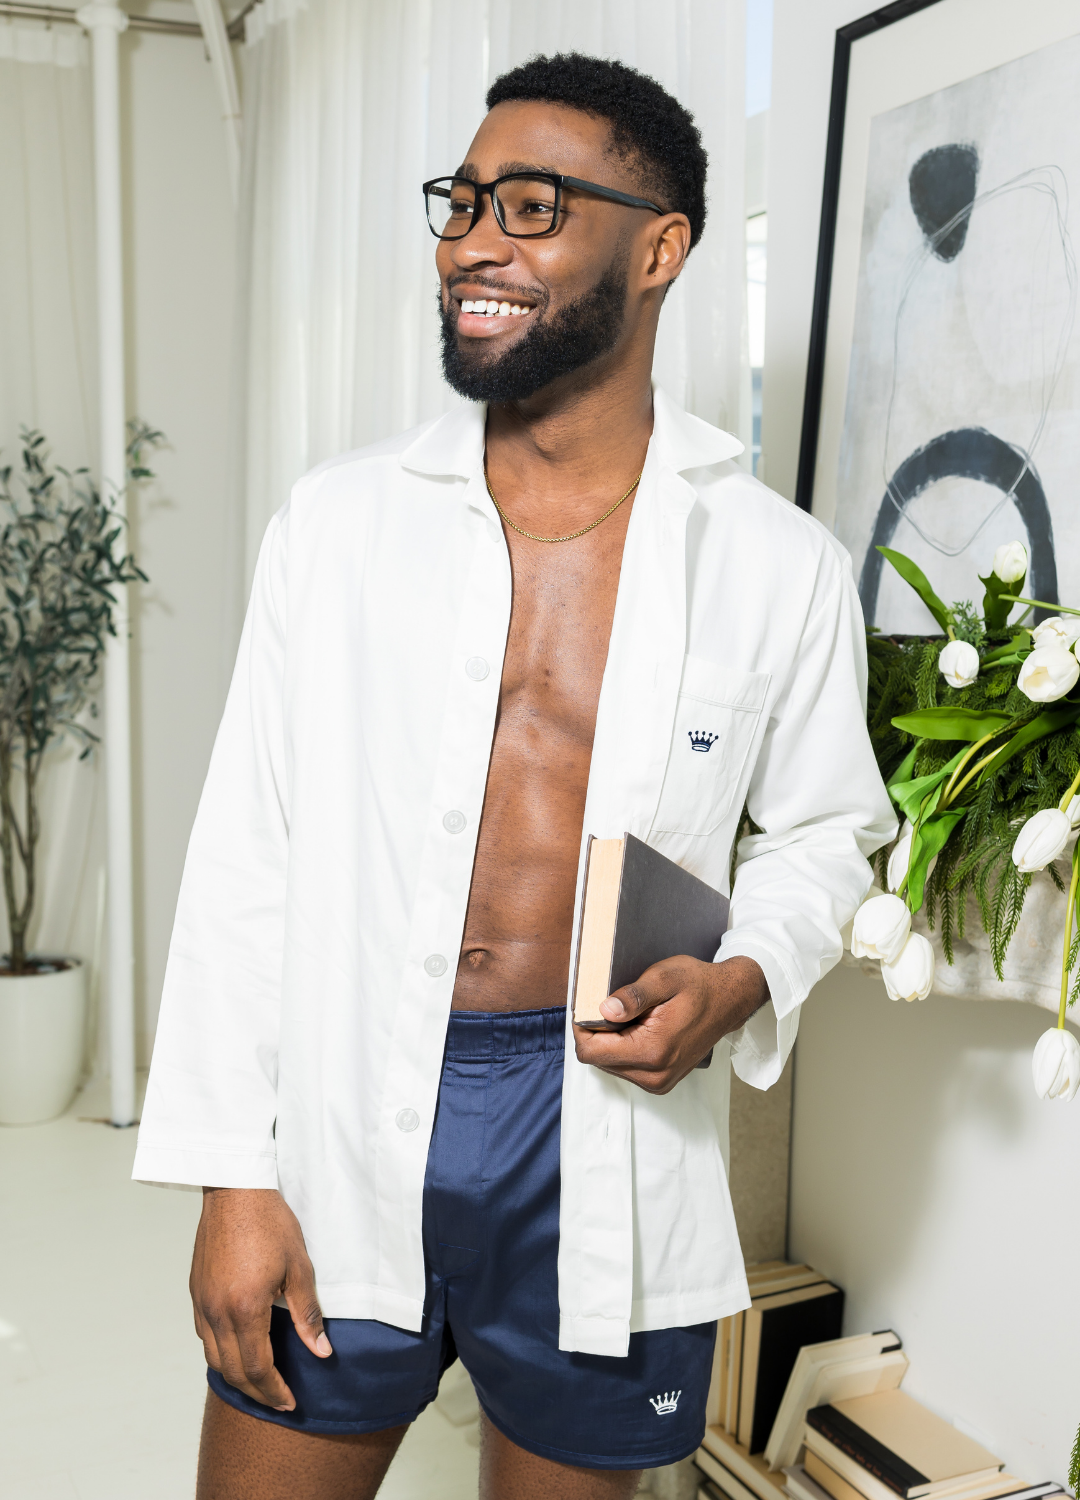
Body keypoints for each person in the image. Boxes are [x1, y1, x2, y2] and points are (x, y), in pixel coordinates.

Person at [134, 52, 894, 1500]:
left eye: (533, 206)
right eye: (464, 202)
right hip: (354, 1108)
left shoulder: (774, 565)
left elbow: (827, 835)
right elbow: (250, 857)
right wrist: (236, 1179)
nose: (473, 239)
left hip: (600, 1126)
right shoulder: (340, 526)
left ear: (659, 249)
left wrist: (738, 979)